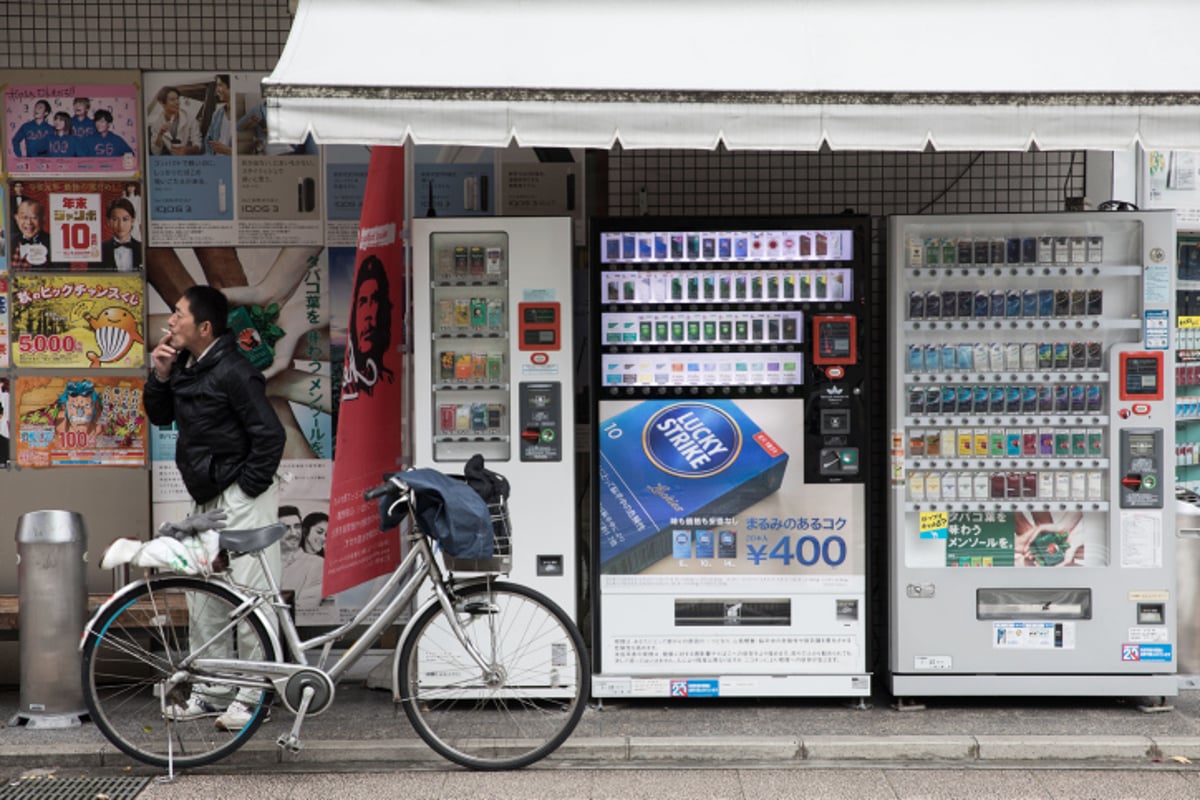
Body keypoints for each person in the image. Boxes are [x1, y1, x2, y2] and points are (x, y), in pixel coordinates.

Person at [144, 285, 285, 731]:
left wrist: (245, 492)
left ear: (204, 327)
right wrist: (160, 375)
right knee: (204, 598)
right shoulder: (185, 364)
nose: (170, 321)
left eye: (179, 315)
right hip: (206, 495)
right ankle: (212, 691)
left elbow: (270, 436)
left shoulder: (236, 371)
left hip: (240, 495)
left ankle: (253, 696)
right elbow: (159, 415)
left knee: (249, 599)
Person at [342, 255, 394, 399]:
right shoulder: (347, 381)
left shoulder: (390, 380)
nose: (370, 314)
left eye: (376, 300)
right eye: (363, 302)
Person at [280, 505, 324, 612]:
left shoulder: (317, 564)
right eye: (286, 528)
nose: (294, 533)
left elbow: (306, 607)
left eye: (297, 526)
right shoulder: (264, 563)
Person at [147, 85, 201, 156]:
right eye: (172, 100)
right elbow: (156, 152)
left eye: (178, 99)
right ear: (162, 103)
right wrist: (160, 134)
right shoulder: (156, 123)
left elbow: (197, 143)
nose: (177, 102)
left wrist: (188, 150)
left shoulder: (189, 118)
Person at [100, 197, 141, 271]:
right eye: (115, 219)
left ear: (133, 221)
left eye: (125, 219)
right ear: (109, 222)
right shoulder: (99, 250)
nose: (120, 225)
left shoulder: (142, 249)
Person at [11, 198, 51, 269]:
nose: (29, 222)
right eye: (24, 217)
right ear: (16, 218)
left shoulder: (53, 244)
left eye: (34, 217)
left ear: (43, 219)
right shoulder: (8, 240)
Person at [204, 74, 233, 156]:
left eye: (220, 85)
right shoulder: (217, 114)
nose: (216, 91)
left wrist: (229, 151)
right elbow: (208, 141)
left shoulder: (242, 113)